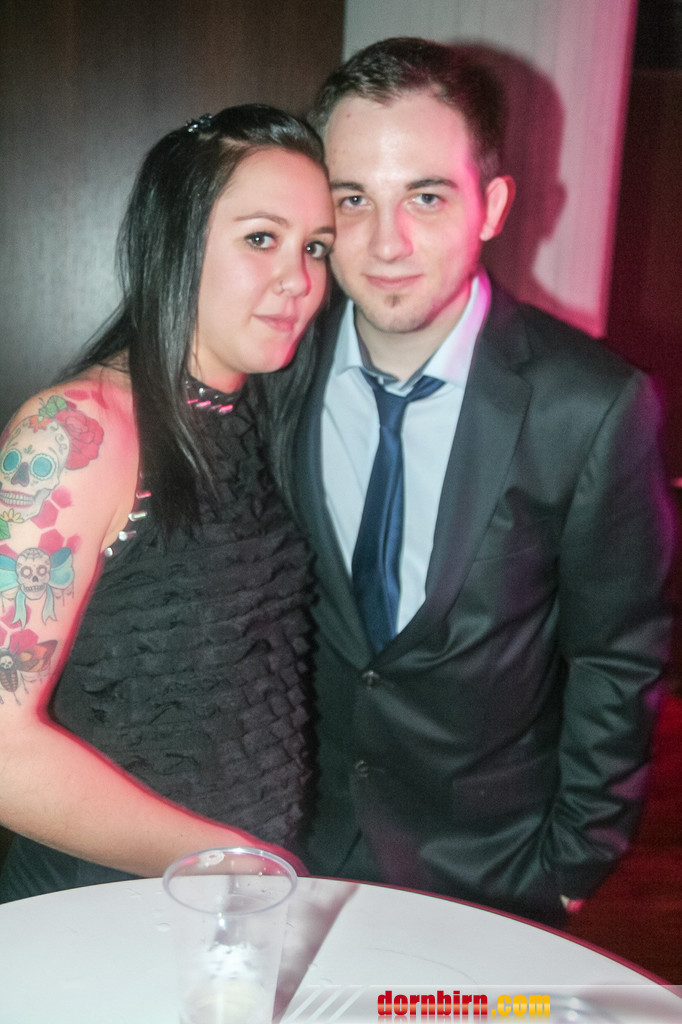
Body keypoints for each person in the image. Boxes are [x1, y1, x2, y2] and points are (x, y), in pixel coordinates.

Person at [292, 37, 674, 924]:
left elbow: (618, 651)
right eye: (353, 198)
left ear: (492, 206)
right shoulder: (278, 375)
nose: (386, 242)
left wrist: (577, 858)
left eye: (426, 196)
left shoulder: (592, 406)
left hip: (493, 875)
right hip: (299, 856)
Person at [0, 104, 335, 901]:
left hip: (234, 904)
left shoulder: (264, 414)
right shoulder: (76, 432)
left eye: (315, 247)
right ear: (177, 239)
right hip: (100, 907)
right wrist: (228, 859)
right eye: (262, 238)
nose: (299, 279)